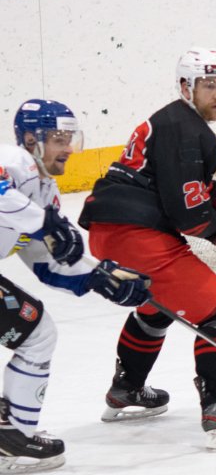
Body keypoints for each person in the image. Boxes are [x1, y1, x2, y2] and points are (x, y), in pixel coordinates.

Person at [78, 48, 216, 451]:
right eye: (209, 85)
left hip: (110, 231)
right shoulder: (187, 131)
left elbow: (183, 186)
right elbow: (188, 213)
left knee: (158, 305)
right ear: (185, 86)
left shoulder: (173, 122)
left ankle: (127, 389)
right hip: (137, 235)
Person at [0, 99, 152, 472]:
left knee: (37, 331)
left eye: (70, 138)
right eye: (58, 138)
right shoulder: (12, 162)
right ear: (32, 139)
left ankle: (11, 436)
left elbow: (48, 263)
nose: (68, 148)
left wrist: (99, 278)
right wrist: (43, 222)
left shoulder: (44, 191)